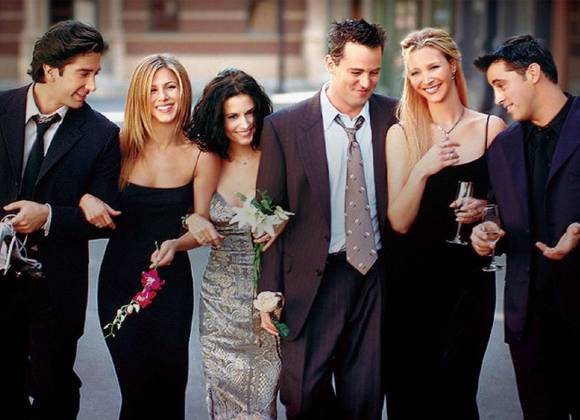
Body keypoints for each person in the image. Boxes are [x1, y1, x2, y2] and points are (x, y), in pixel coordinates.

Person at [255, 19, 397, 419]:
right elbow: (267, 218)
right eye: (356, 71)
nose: (366, 83)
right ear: (330, 64)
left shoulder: (395, 116)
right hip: (312, 281)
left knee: (365, 398)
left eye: (374, 72)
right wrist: (268, 292)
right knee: (303, 395)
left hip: (375, 276)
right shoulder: (283, 128)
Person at [79, 54, 219, 420]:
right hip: (119, 282)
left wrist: (177, 243)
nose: (163, 97)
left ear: (183, 90)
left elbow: (200, 225)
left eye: (170, 87)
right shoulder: (118, 145)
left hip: (172, 287)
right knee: (136, 393)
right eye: (153, 90)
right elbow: (78, 190)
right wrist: (84, 198)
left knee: (169, 392)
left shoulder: (200, 155)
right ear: (140, 96)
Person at [0, 20, 120, 419]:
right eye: (84, 74)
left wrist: (49, 216)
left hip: (56, 287)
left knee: (55, 388)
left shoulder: (102, 134)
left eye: (96, 74)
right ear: (50, 70)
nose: (92, 85)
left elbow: (106, 218)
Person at [383, 27, 505, 420]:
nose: (425, 79)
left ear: (452, 66)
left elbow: (506, 210)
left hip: (469, 286)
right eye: (415, 72)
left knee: (457, 396)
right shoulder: (402, 133)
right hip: (411, 287)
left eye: (433, 67)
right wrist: (424, 167)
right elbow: (399, 222)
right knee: (410, 398)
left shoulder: (490, 129)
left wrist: (484, 210)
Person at [155, 68, 282, 419]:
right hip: (220, 303)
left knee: (262, 402)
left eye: (250, 113)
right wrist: (175, 244)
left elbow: (303, 208)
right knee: (224, 398)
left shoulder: (277, 153)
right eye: (233, 117)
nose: (245, 124)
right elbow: (201, 229)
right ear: (217, 119)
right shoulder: (206, 160)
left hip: (270, 294)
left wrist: (283, 223)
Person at [472, 35, 580, 420]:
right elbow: (496, 208)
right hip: (529, 323)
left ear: (533, 73)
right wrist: (485, 230)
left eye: (501, 84)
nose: (497, 98)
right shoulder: (502, 147)